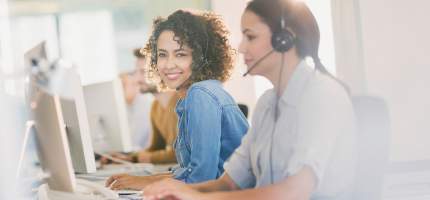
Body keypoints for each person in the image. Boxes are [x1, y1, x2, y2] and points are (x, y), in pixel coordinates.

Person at [142, 0, 357, 200]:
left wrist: (199, 198)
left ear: (284, 40)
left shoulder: (322, 96)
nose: (241, 47)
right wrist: (170, 190)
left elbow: (294, 191)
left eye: (250, 37)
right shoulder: (267, 103)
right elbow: (230, 183)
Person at [105, 9, 249, 190]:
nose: (168, 64)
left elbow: (201, 178)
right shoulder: (190, 97)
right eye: (162, 55)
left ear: (200, 58)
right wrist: (140, 181)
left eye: (180, 54)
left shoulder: (201, 94)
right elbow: (189, 172)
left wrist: (142, 183)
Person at [101, 49, 179, 164]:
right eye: (136, 72)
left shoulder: (183, 103)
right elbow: (156, 148)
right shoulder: (156, 107)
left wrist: (138, 158)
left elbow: (181, 154)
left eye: (143, 72)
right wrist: (128, 157)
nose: (136, 79)